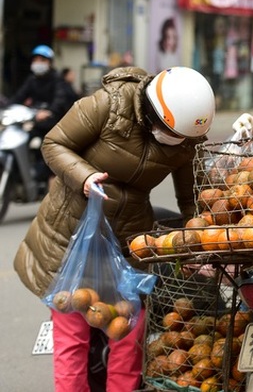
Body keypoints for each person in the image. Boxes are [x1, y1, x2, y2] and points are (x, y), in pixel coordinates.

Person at [13, 66, 216, 392]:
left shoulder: (184, 141)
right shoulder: (108, 104)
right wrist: (84, 176)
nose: (177, 143)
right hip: (73, 235)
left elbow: (190, 198)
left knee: (127, 331)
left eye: (183, 139)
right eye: (170, 132)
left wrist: (199, 244)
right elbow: (54, 144)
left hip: (127, 241)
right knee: (74, 331)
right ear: (152, 112)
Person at [6, 45, 76, 181]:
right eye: (36, 60)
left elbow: (59, 100)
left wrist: (49, 111)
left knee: (47, 148)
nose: (38, 63)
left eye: (42, 60)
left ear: (49, 62)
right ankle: (21, 176)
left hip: (51, 123)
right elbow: (19, 97)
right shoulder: (32, 80)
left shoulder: (57, 80)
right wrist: (7, 108)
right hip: (34, 121)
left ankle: (42, 178)